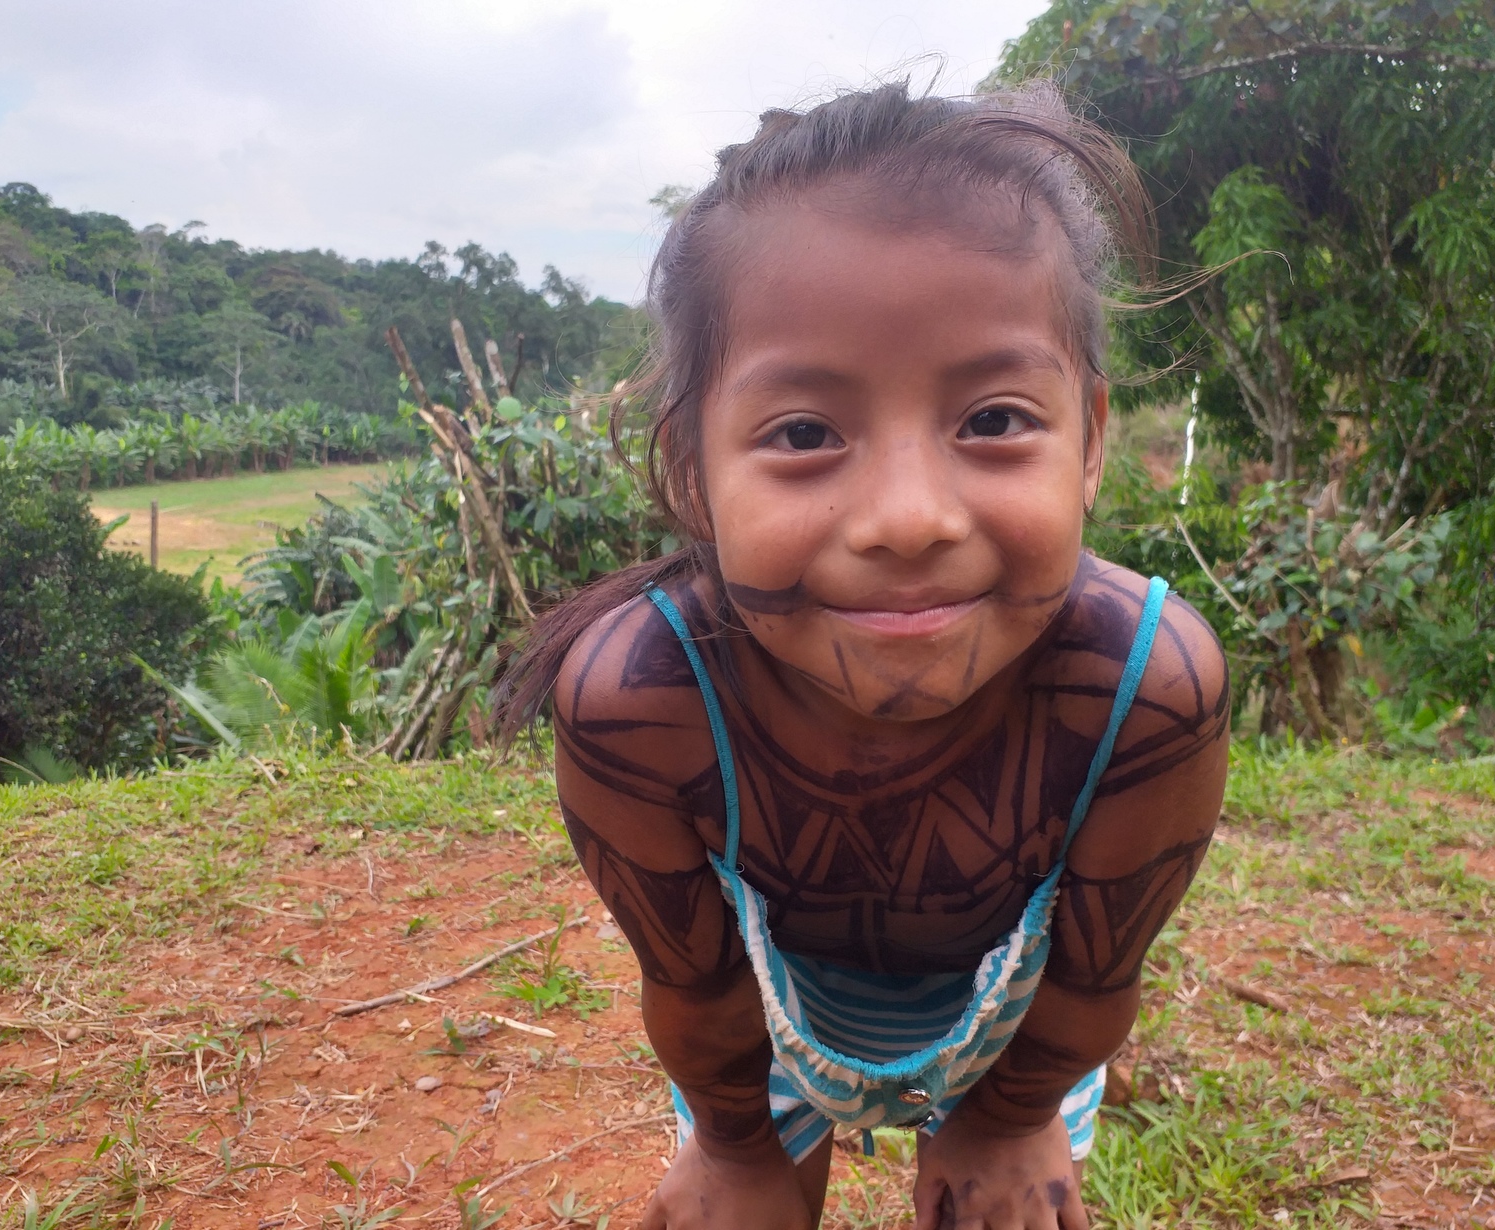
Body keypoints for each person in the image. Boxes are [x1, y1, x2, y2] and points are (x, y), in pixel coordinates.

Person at [494, 81, 1230, 1230]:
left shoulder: (1145, 690)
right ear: (693, 472)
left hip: (1025, 1020)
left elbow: (1094, 980)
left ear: (1086, 440)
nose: (907, 518)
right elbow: (689, 989)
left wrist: (1008, 1112)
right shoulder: (640, 702)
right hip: (753, 1022)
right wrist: (736, 1148)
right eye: (802, 434)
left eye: (991, 419)